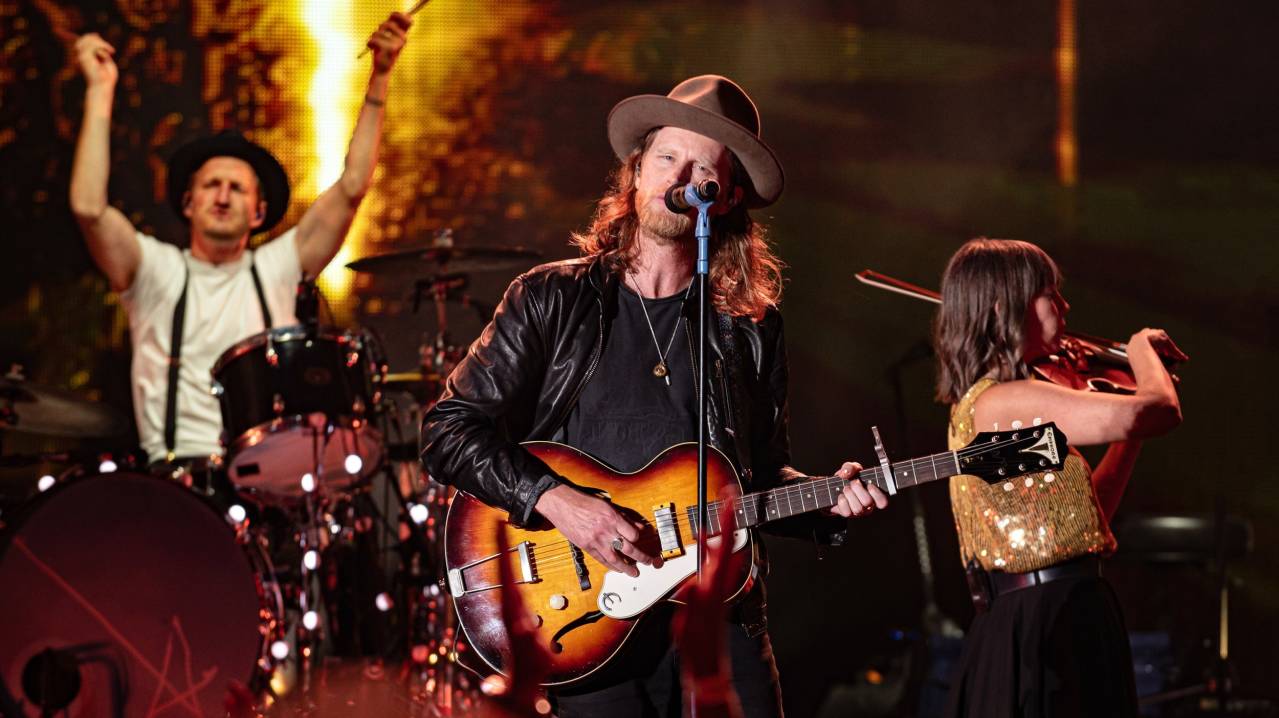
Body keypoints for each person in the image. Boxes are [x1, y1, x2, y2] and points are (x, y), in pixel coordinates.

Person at [420, 75, 888, 718]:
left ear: (722, 201)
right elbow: (448, 430)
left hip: (718, 616)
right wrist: (557, 502)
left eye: (704, 169)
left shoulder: (750, 328)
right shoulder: (551, 299)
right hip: (586, 615)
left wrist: (828, 504)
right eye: (668, 157)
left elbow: (758, 474)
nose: (682, 176)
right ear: (636, 173)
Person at [67, 13, 411, 466]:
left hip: (271, 476)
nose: (223, 196)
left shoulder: (278, 266)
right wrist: (99, 90)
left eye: (238, 188)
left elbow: (351, 188)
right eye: (211, 185)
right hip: (176, 479)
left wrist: (380, 78)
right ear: (188, 203)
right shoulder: (152, 269)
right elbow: (89, 208)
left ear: (260, 211)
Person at [933, 237, 1185, 717]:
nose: (1065, 306)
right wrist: (1141, 353)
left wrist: (1126, 437)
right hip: (1042, 623)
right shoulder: (1007, 401)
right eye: (1051, 292)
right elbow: (1158, 411)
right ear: (1008, 306)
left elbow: (1086, 521)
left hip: (1066, 610)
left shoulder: (1008, 399)